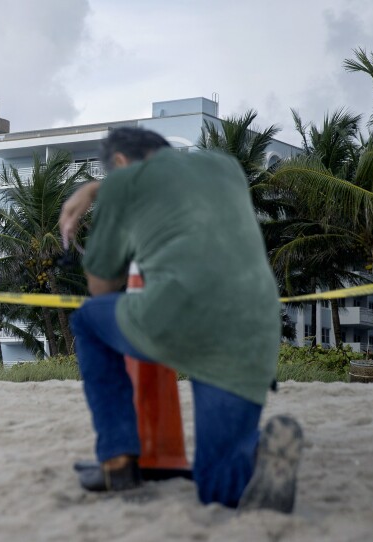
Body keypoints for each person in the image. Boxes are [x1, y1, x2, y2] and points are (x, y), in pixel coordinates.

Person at [58, 127, 303, 513]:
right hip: (254, 329)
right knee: (219, 485)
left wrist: (96, 197)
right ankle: (255, 455)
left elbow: (102, 286)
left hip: (179, 319)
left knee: (90, 320)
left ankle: (117, 463)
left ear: (120, 163)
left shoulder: (124, 183)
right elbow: (170, 183)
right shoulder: (224, 167)